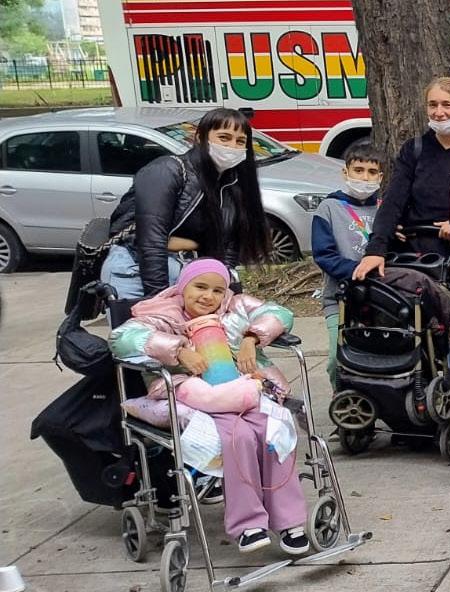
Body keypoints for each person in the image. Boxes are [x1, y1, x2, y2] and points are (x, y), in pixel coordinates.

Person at [109, 259, 307, 554]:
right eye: (200, 287)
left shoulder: (235, 306)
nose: (208, 296)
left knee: (273, 434)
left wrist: (251, 338)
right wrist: (178, 350)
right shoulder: (162, 313)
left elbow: (280, 313)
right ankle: (248, 524)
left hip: (245, 387)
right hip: (196, 393)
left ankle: (289, 520)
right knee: (239, 436)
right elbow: (121, 339)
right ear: (183, 287)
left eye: (217, 290)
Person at [104, 108, 273, 300]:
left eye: (240, 141)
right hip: (136, 271)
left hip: (192, 276)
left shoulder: (232, 183)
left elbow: (229, 245)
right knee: (146, 320)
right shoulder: (167, 170)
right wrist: (158, 299)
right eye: (224, 138)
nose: (232, 146)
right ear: (200, 137)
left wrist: (222, 280)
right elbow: (151, 241)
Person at [356, 77, 450, 280]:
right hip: (417, 249)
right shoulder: (414, 149)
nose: (439, 112)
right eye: (433, 105)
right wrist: (376, 249)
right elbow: (393, 201)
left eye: (447, 105)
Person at [311, 142, 383, 389]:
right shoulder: (329, 208)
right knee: (337, 358)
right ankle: (341, 399)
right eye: (358, 170)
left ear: (380, 177)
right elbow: (323, 254)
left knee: (377, 355)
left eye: (372, 172)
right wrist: (357, 270)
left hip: (380, 296)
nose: (365, 177)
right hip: (339, 298)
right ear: (346, 172)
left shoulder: (384, 208)